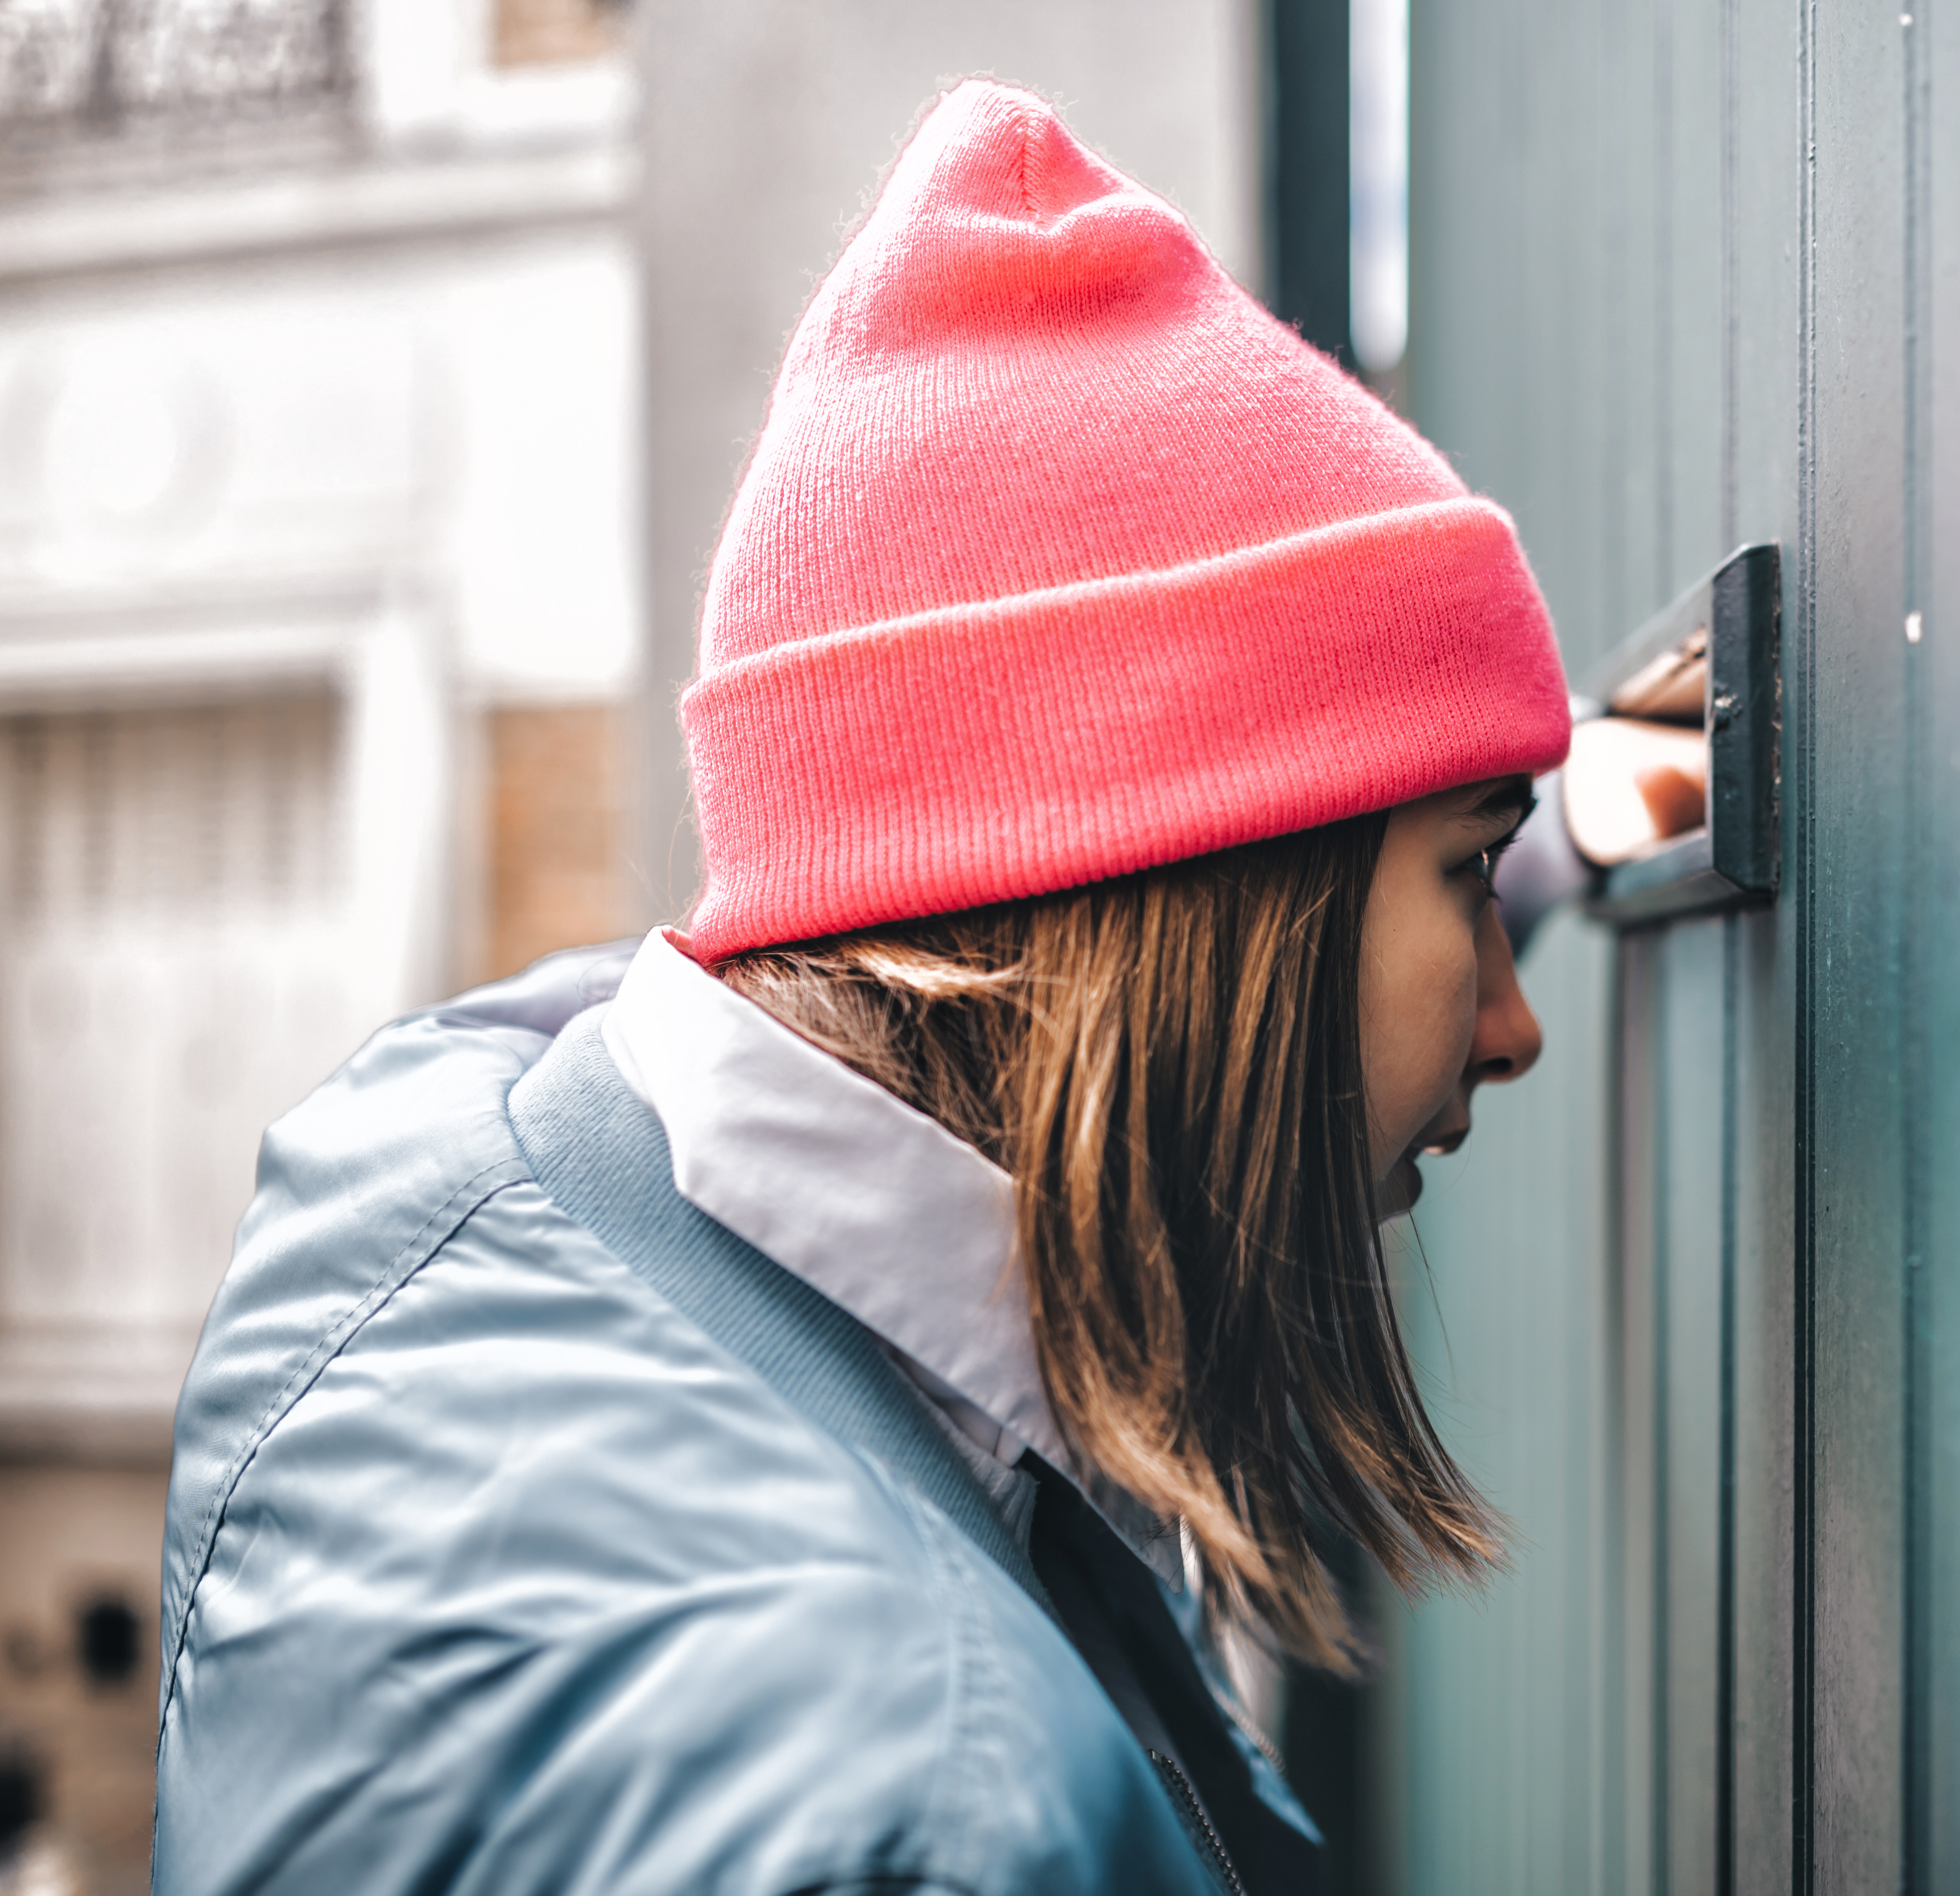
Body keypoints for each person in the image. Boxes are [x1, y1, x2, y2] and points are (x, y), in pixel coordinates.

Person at [149, 81, 1681, 1896]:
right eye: (1460, 876)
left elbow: (1009, 841)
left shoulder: (416, 1164)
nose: (1507, 1027)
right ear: (1205, 906)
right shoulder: (922, 1828)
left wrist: (1546, 821)